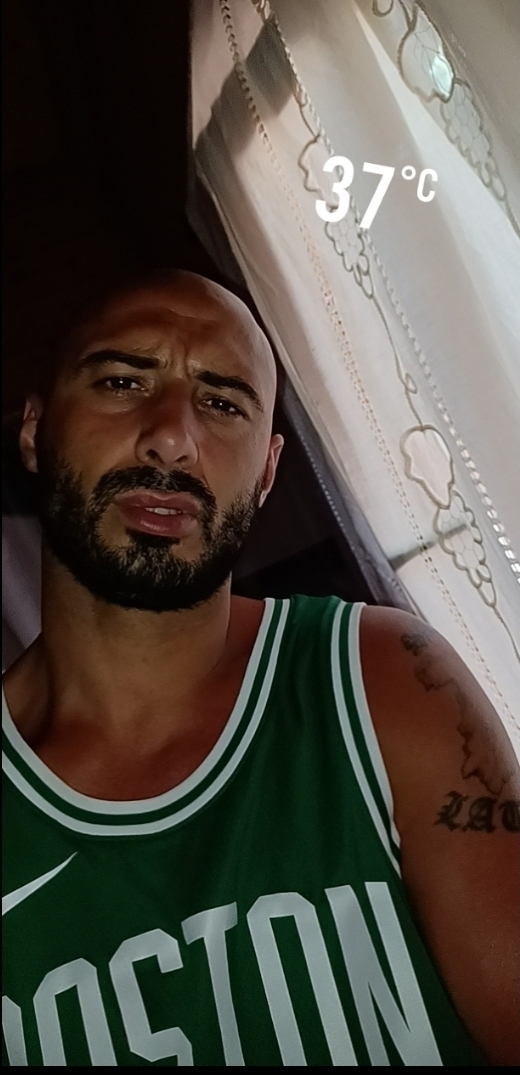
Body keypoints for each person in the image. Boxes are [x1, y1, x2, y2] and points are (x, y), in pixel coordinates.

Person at [2, 269, 518, 1068]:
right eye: (122, 381)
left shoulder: (381, 677)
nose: (172, 437)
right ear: (36, 432)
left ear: (269, 469)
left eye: (222, 402)